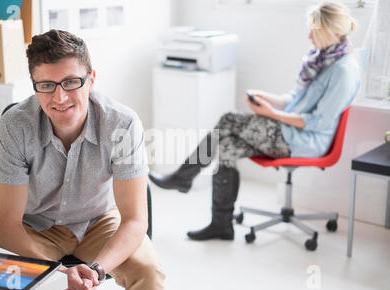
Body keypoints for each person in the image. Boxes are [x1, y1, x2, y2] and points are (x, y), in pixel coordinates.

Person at [148, 0, 361, 241]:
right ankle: (221, 224)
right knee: (226, 146)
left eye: (315, 30)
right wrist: (266, 99)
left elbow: (316, 122)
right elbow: (293, 100)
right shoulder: (321, 59)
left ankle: (183, 176)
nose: (309, 35)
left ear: (334, 32)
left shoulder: (343, 71)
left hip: (304, 140)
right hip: (288, 130)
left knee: (229, 119)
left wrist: (271, 113)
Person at [0, 29, 165, 290]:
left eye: (71, 82)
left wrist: (97, 270)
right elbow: (6, 224)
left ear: (90, 79)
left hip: (99, 220)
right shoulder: (14, 126)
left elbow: (134, 219)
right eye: (46, 85)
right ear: (34, 84)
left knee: (148, 271)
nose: (60, 98)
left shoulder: (122, 123)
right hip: (34, 225)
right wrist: (57, 275)